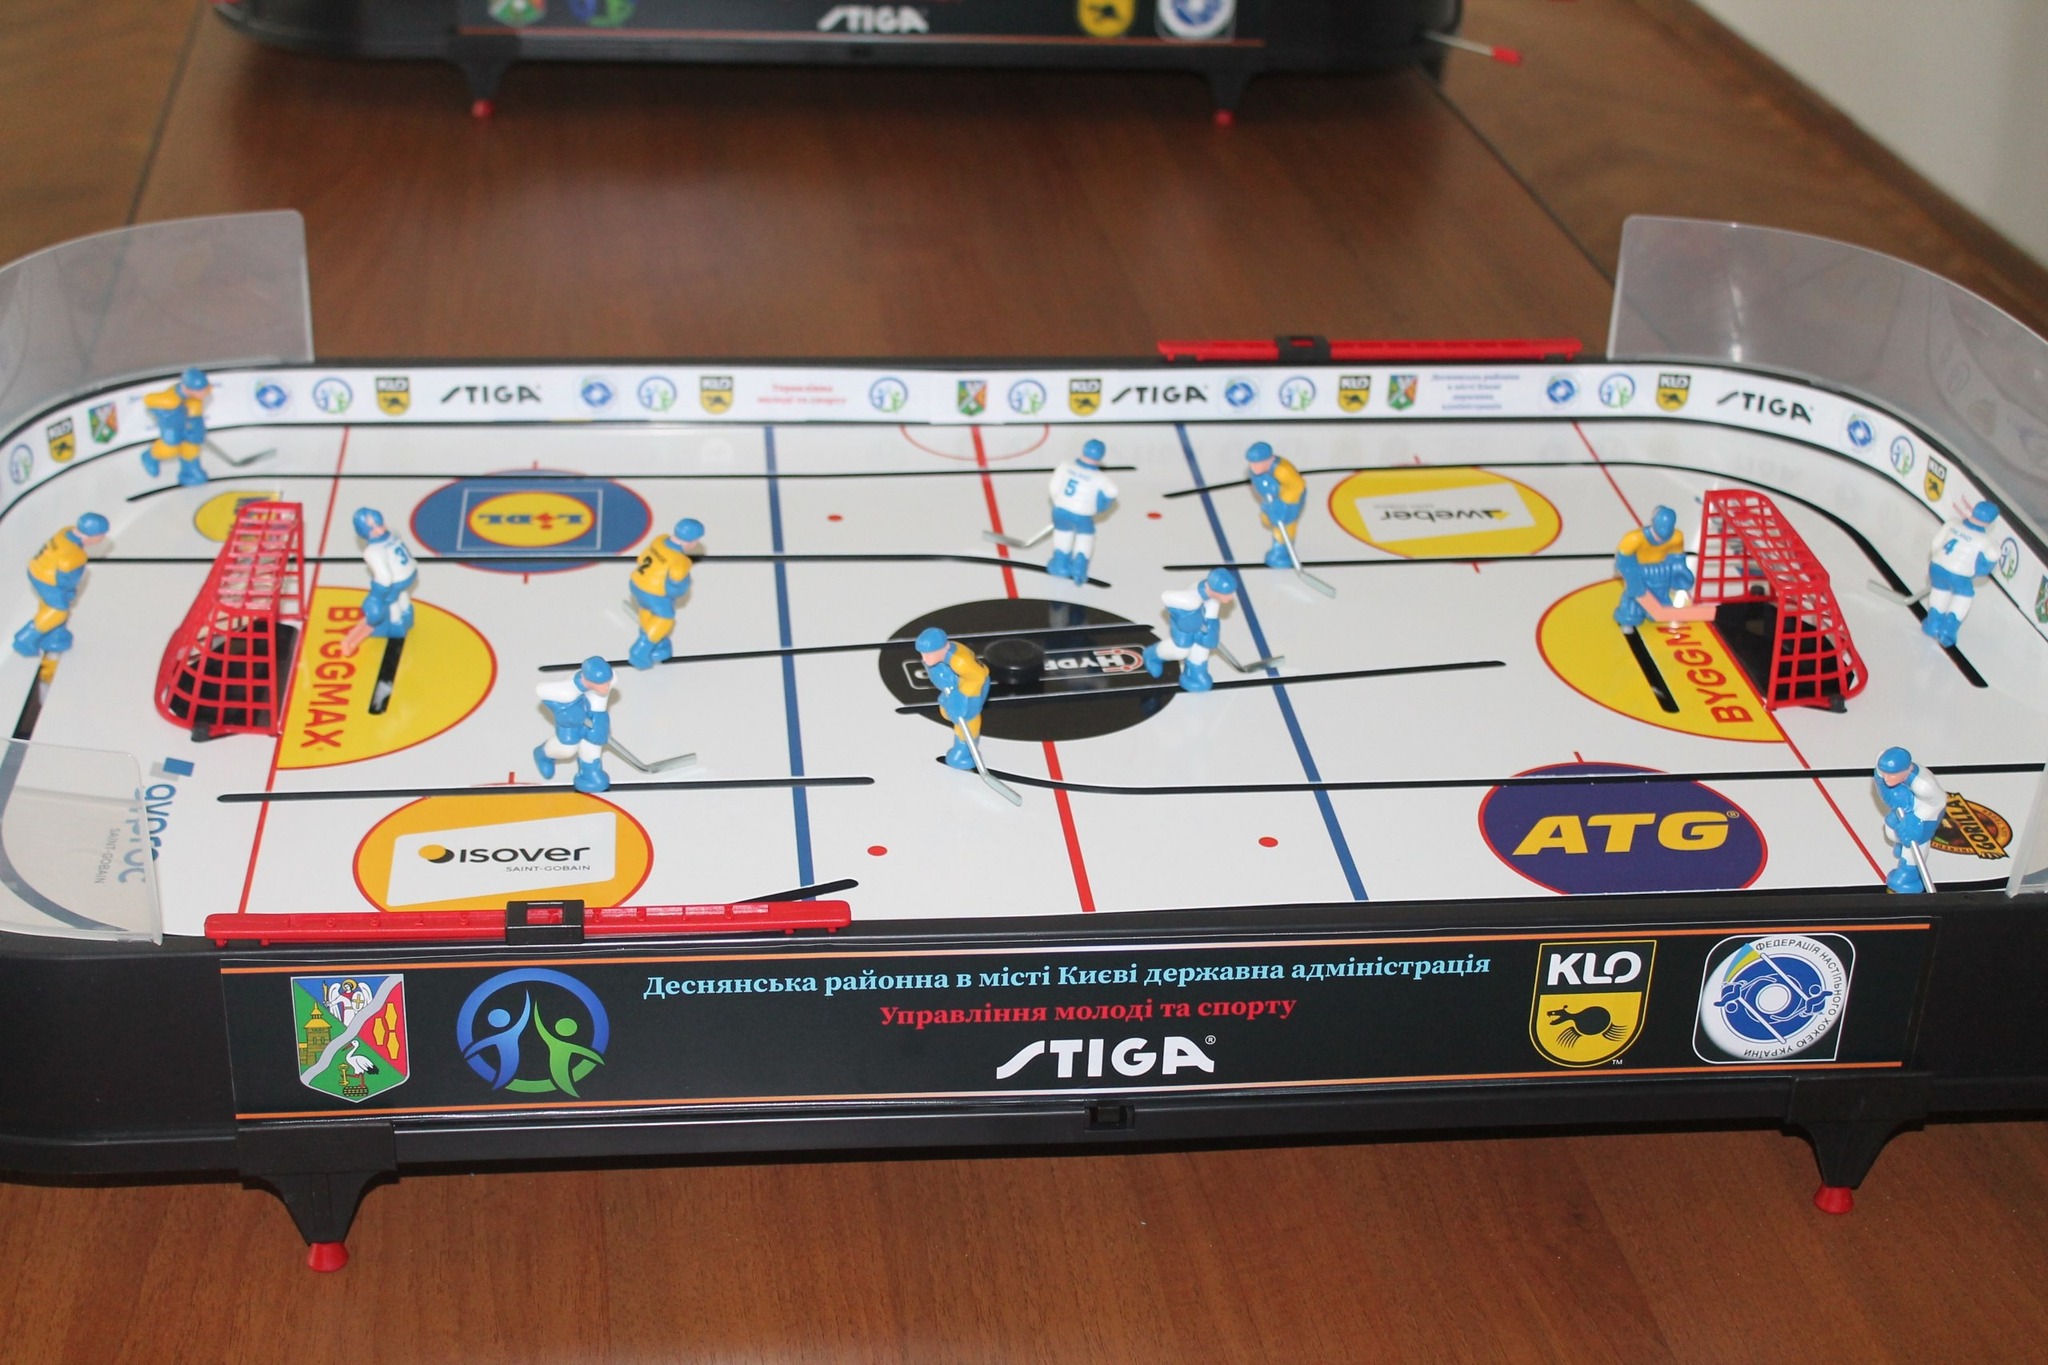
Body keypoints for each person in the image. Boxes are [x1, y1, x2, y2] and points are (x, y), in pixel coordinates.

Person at [11, 512, 108, 657]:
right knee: (59, 610)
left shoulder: (65, 531)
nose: (102, 538)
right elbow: (68, 580)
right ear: (92, 536)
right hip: (48, 580)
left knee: (48, 604)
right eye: (101, 535)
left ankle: (54, 634)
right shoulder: (76, 556)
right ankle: (25, 639)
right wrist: (68, 592)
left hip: (35, 568)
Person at [1142, 568, 1238, 692]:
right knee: (1180, 651)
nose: (1231, 597)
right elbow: (1166, 596)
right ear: (1214, 590)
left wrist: (1209, 630)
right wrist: (1183, 615)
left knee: (1203, 646)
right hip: (1184, 626)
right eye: (1227, 594)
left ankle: (1194, 675)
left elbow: (1211, 613)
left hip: (1200, 623)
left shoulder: (1213, 597)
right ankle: (1152, 655)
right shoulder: (1191, 599)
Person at [628, 518, 704, 670]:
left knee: (647, 610)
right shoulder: (681, 561)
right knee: (665, 618)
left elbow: (642, 558)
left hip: (636, 582)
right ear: (691, 542)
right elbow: (677, 582)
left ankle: (658, 643)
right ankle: (642, 648)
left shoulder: (659, 540)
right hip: (653, 593)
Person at [340, 508, 417, 655]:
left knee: (391, 600)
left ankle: (396, 623)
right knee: (402, 593)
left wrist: (376, 596)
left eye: (379, 525)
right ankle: (407, 612)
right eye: (374, 527)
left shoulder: (372, 551)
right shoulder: (393, 533)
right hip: (411, 571)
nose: (379, 529)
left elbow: (385, 577)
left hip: (398, 578)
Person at [1924, 501, 1999, 647]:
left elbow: (1935, 544)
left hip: (1936, 566)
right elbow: (1992, 557)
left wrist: (1941, 559)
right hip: (1959, 574)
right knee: (1964, 597)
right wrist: (1978, 570)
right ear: (1990, 521)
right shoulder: (1987, 542)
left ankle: (1932, 624)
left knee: (1940, 590)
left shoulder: (1952, 523)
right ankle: (1948, 629)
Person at [1873, 745, 1946, 894]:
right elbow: (1880, 774)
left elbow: (1939, 802)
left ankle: (1909, 876)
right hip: (1911, 804)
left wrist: (1916, 820)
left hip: (1927, 812)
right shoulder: (1883, 761)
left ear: (1907, 769)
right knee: (1891, 829)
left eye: (1892, 775)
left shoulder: (1924, 786)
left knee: (1915, 840)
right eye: (1885, 773)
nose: (1887, 778)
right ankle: (1901, 845)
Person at [535, 656, 614, 793]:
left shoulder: (609, 680)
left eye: (607, 682)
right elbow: (541, 690)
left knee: (594, 741)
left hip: (592, 712)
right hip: (570, 722)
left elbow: (599, 703)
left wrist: (599, 721)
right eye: (601, 684)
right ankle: (542, 753)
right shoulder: (567, 690)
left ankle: (589, 775)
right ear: (586, 679)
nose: (607, 687)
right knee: (567, 749)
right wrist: (563, 710)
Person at [916, 627, 990, 770]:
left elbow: (978, 677)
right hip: (958, 683)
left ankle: (964, 753)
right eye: (923, 654)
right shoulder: (943, 655)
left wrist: (961, 698)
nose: (924, 659)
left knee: (967, 717)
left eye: (929, 655)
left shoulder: (959, 661)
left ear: (944, 648)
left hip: (974, 686)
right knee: (947, 712)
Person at [1045, 440, 1118, 585]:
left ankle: (1060, 566)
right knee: (1085, 539)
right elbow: (1113, 491)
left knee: (1062, 535)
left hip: (1060, 510)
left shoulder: (1065, 466)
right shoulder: (1100, 478)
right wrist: (1101, 506)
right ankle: (1079, 569)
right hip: (1082, 515)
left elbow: (1053, 488)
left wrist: (1060, 501)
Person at [1612, 505, 1693, 631]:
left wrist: (1680, 573)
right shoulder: (1634, 538)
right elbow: (1623, 560)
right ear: (1653, 522)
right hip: (1639, 571)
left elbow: (1677, 559)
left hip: (1662, 574)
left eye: (1668, 527)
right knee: (1633, 598)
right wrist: (1632, 577)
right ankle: (1629, 618)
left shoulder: (1676, 537)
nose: (1665, 531)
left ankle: (1657, 609)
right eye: (1662, 526)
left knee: (1661, 601)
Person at [141, 369, 212, 486]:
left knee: (192, 445)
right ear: (187, 388)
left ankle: (190, 471)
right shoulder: (170, 399)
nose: (205, 393)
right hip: (173, 426)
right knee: (170, 448)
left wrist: (196, 430)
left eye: (205, 389)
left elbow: (195, 416)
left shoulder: (196, 399)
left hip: (188, 420)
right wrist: (165, 414)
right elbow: (148, 399)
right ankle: (150, 455)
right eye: (200, 390)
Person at [1245, 441, 1306, 569]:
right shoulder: (1257, 471)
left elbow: (1298, 486)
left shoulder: (1283, 471)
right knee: (1267, 519)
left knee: (1285, 525)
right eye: (1251, 463)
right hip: (1274, 498)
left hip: (1291, 501)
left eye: (1256, 463)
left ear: (1268, 460)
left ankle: (1281, 553)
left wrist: (1283, 504)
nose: (1253, 467)